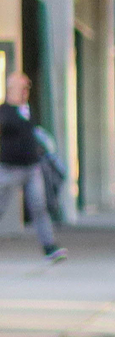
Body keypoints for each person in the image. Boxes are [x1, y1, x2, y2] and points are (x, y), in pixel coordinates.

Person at [1, 71, 65, 261]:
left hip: (32, 168)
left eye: (27, 88)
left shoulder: (26, 110)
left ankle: (49, 247)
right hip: (8, 168)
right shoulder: (4, 111)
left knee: (39, 206)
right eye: (22, 87)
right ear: (11, 88)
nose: (25, 91)